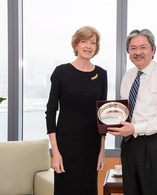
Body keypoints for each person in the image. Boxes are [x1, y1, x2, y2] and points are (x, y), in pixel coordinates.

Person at [108, 29, 157, 195]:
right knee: (131, 190)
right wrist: (112, 124)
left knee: (154, 191)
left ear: (153, 50)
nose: (138, 52)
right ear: (128, 52)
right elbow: (124, 110)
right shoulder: (128, 76)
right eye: (133, 48)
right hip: (129, 144)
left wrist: (135, 129)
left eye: (143, 47)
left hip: (153, 144)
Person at [45, 26, 107, 195]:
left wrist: (102, 152)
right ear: (76, 45)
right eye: (84, 41)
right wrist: (55, 152)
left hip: (91, 146)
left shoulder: (101, 74)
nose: (88, 46)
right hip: (66, 147)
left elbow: (102, 117)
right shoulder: (61, 72)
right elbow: (51, 113)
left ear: (96, 47)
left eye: (93, 42)